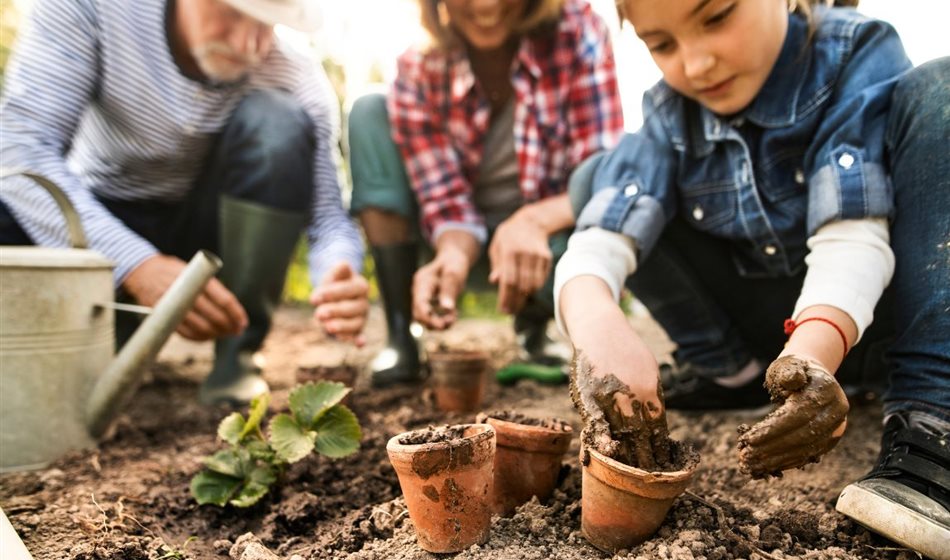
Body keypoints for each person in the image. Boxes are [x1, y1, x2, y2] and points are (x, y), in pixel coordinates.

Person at [555, 0, 949, 560]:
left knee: (942, 88)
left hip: (877, 323)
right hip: (774, 342)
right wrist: (597, 326)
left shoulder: (853, 55)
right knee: (599, 179)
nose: (695, 62)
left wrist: (811, 354)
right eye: (661, 44)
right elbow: (599, 240)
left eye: (716, 17)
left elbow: (853, 237)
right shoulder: (670, 112)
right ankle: (734, 374)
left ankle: (932, 420)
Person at [0, 0, 369, 406]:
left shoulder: (293, 73)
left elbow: (328, 219)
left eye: (268, 24)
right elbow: (20, 149)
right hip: (100, 222)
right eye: (232, 13)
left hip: (208, 237)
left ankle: (237, 354)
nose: (249, 44)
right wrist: (137, 265)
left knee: (279, 121)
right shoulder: (90, 8)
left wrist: (338, 271)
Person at [347, 0, 624, 386]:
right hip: (460, 246)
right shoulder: (418, 67)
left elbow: (601, 174)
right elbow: (444, 200)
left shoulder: (578, 29)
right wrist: (454, 253)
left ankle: (536, 324)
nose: (486, 4)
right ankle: (400, 330)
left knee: (610, 221)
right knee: (369, 110)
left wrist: (533, 221)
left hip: (549, 245)